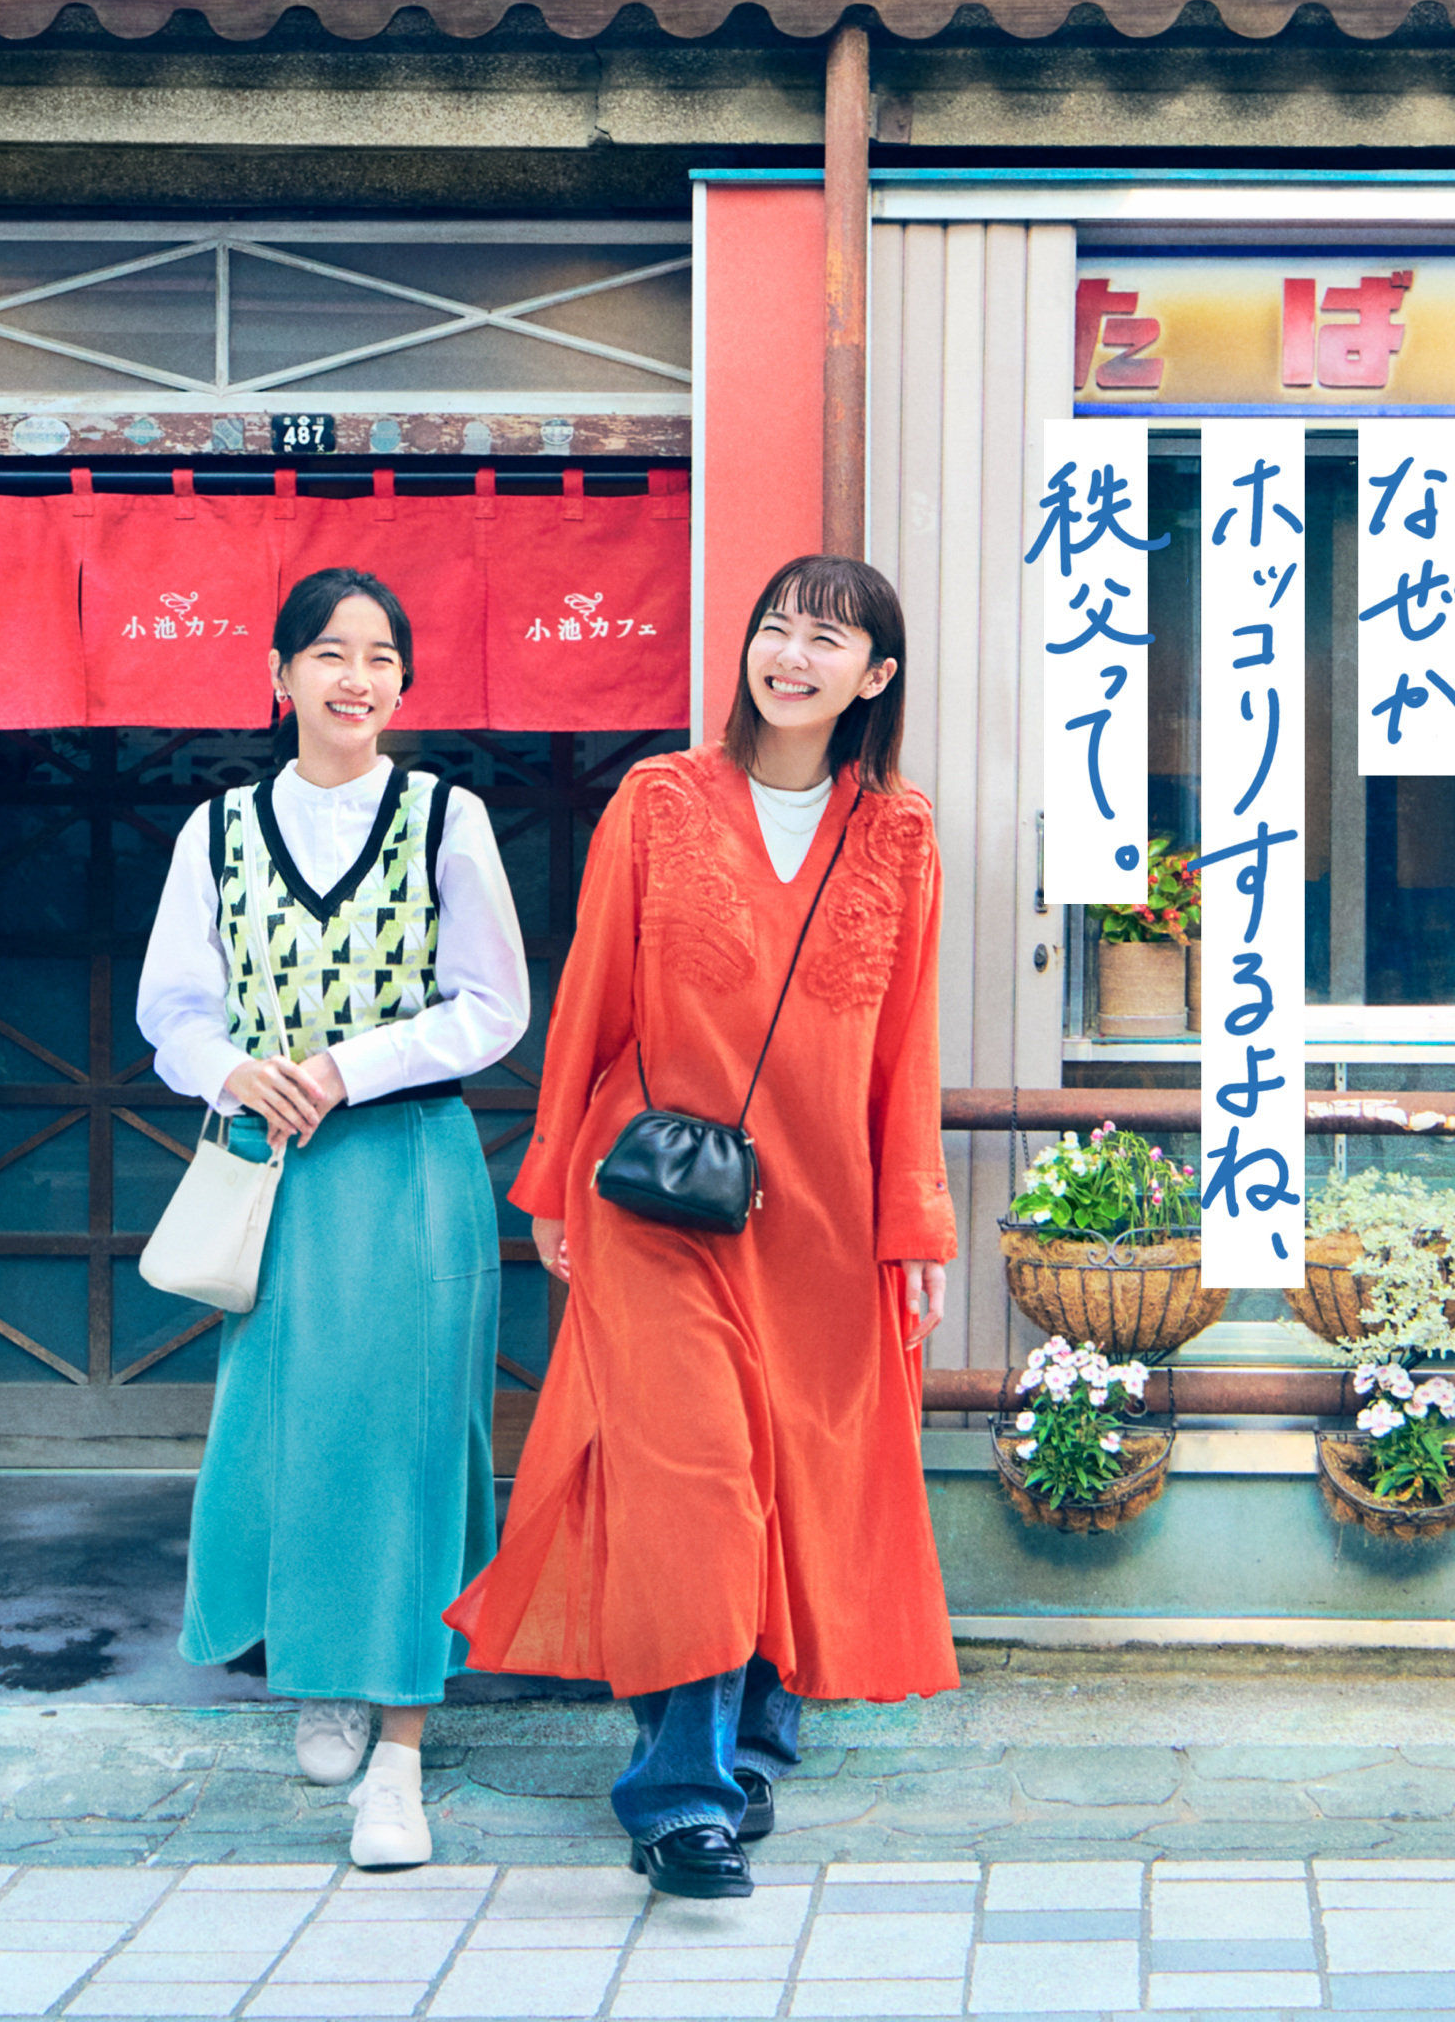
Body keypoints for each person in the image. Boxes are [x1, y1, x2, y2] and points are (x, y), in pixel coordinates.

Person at [448, 553, 956, 1900]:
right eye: (776, 630)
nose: (793, 657)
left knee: (793, 1473)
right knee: (696, 1485)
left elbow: (907, 1051)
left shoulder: (899, 834)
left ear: (875, 678)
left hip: (829, 1220)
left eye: (829, 641)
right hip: (660, 1207)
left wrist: (914, 1235)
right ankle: (680, 1796)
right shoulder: (659, 800)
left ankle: (752, 1745)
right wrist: (554, 1177)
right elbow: (592, 1000)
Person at [136, 567, 529, 1870]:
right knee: (292, 1430)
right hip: (278, 1174)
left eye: (379, 657)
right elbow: (172, 1007)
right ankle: (322, 1671)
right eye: (329, 654)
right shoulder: (222, 830)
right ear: (279, 673)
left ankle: (401, 1760)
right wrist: (227, 1068)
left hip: (411, 1163)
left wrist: (350, 1066)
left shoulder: (443, 819)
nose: (355, 679)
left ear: (403, 683)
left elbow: (493, 1006)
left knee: (414, 1443)